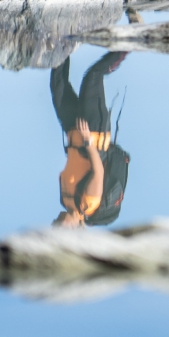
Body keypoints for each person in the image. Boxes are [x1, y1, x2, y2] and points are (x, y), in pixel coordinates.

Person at [50, 50, 132, 227]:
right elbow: (98, 171)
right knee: (93, 76)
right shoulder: (87, 204)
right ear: (72, 229)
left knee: (58, 83)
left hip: (73, 130)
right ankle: (125, 47)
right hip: (93, 133)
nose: (53, 223)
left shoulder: (65, 201)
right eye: (57, 226)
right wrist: (87, 140)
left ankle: (62, 40)